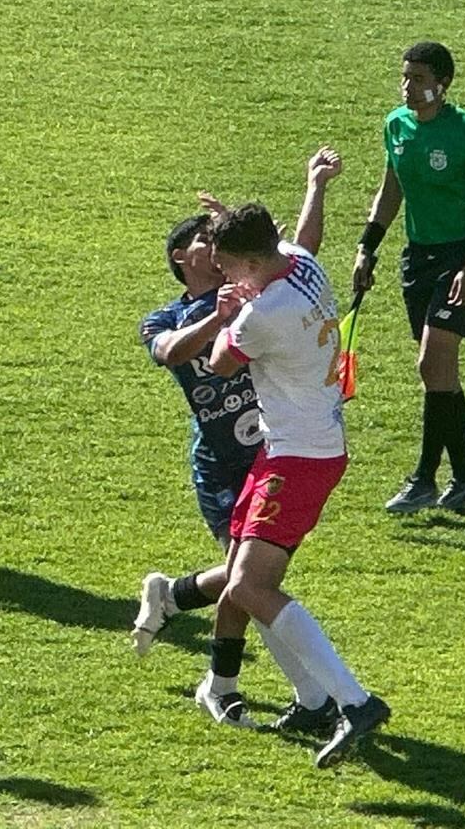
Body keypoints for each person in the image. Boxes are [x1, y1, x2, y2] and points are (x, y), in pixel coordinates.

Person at [134, 150, 347, 738]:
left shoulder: (254, 289)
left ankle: (183, 614)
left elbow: (294, 254)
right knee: (251, 583)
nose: (210, 244)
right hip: (222, 461)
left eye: (217, 239)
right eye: (201, 240)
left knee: (250, 581)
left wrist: (311, 189)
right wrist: (222, 317)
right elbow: (172, 353)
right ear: (182, 259)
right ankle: (295, 694)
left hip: (273, 448)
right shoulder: (167, 317)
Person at [197, 176, 390, 769]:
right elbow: (301, 238)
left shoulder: (262, 314)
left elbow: (220, 362)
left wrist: (228, 313)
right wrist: (307, 190)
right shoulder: (301, 265)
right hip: (303, 445)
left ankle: (354, 702)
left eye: (230, 268)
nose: (227, 277)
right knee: (240, 576)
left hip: (297, 458)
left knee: (250, 587)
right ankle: (311, 701)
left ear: (253, 263)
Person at [353, 41, 465, 514]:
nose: (408, 87)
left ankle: (422, 479)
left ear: (443, 84)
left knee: (430, 362)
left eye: (418, 79)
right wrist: (367, 247)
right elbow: (391, 189)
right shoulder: (396, 126)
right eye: (405, 77)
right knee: (439, 373)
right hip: (417, 259)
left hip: (460, 259)